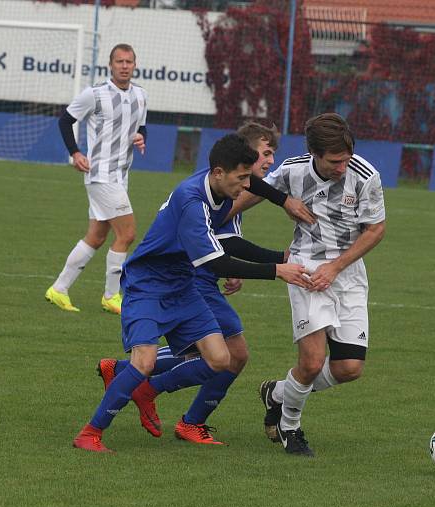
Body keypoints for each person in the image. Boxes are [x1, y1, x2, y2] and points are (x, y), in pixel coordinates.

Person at [72, 134, 313, 453]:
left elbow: (254, 185)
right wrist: (277, 269)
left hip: (182, 283)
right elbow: (215, 261)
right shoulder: (192, 202)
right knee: (143, 361)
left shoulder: (221, 182)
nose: (245, 186)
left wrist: (283, 200)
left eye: (246, 176)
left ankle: (147, 391)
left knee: (220, 359)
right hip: (148, 284)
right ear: (218, 173)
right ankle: (90, 433)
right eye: (240, 178)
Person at [230, 113, 387, 456]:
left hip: (346, 273)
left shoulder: (365, 176)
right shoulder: (292, 170)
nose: (342, 167)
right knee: (313, 361)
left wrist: (336, 267)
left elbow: (375, 229)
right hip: (304, 267)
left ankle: (277, 392)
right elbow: (243, 196)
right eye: (334, 162)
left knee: (349, 368)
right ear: (315, 153)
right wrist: (217, 230)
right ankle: (290, 427)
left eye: (346, 159)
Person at [45, 43, 147, 314]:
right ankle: (112, 296)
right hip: (101, 174)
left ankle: (59, 289)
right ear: (110, 65)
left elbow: (141, 126)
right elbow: (65, 120)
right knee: (127, 233)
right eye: (119, 62)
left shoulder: (141, 95)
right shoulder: (95, 94)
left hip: (121, 175)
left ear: (135, 65)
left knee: (97, 236)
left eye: (129, 62)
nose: (124, 66)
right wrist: (75, 153)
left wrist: (141, 137)